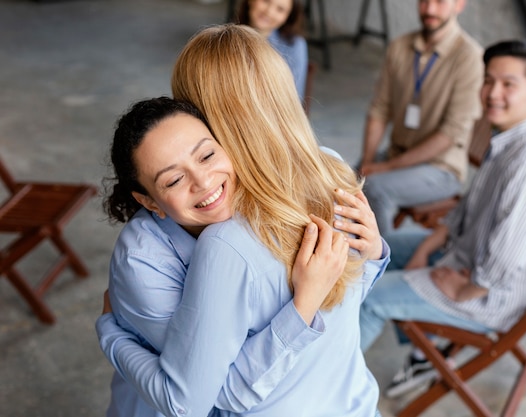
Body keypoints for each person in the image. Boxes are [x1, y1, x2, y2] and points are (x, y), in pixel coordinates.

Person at [97, 24, 390, 417]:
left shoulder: (226, 244)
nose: (201, 180)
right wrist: (369, 259)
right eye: (174, 177)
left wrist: (111, 334)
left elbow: (201, 399)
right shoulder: (332, 167)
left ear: (203, 116)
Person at [359, 39, 526, 399]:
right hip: (465, 255)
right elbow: (466, 210)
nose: (492, 93)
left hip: (489, 295)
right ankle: (424, 351)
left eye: (508, 84)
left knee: (368, 298)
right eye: (489, 81)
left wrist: (465, 289)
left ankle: (325, 395)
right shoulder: (508, 138)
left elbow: (508, 255)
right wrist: (427, 247)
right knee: (372, 249)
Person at [359, 0, 484, 238]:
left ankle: (380, 265)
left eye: (439, 2)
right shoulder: (399, 47)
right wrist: (367, 162)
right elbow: (379, 110)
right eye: (424, 1)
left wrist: (383, 168)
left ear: (459, 4)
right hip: (396, 153)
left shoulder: (470, 58)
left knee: (375, 189)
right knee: (340, 179)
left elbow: (449, 134)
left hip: (440, 168)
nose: (429, 10)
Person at [236, 0, 308, 100]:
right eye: (265, 1)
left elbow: (294, 98)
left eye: (280, 9)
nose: (269, 12)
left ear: (288, 16)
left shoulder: (294, 45)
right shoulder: (225, 38)